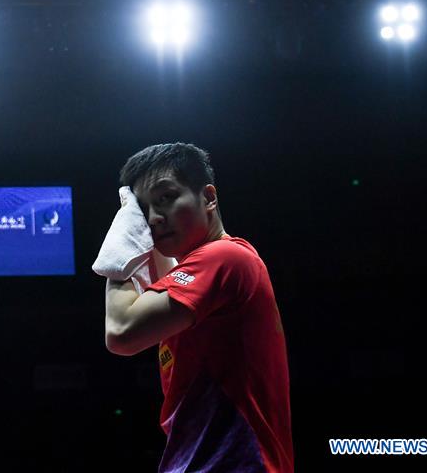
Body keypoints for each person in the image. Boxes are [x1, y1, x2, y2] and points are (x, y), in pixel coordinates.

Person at [104, 142, 293, 472]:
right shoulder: (207, 271)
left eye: (166, 198)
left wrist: (121, 248)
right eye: (143, 211)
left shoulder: (224, 258)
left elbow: (122, 332)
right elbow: (160, 278)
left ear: (208, 197)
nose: (154, 219)